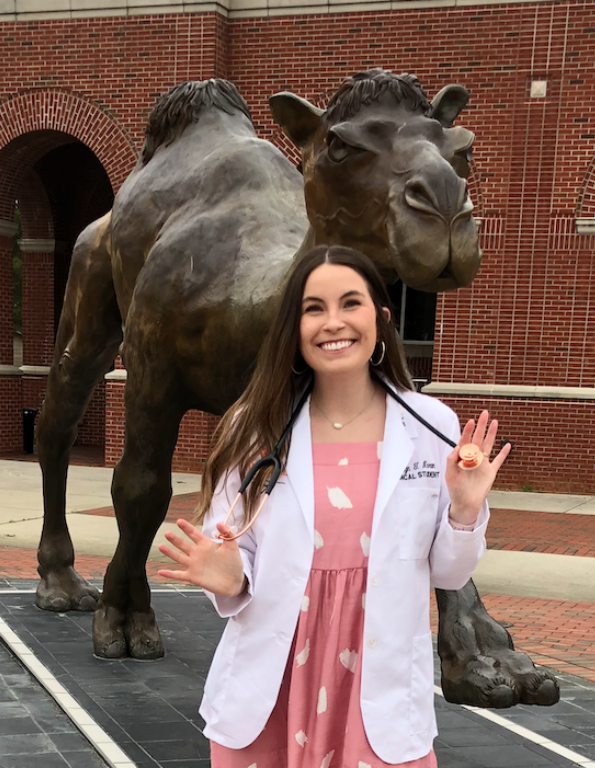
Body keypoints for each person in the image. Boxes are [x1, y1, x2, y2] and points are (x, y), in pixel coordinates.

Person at [157, 245, 511, 767]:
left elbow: (448, 573)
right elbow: (230, 548)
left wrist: (464, 510)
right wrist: (229, 576)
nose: (333, 322)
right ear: (294, 329)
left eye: (350, 303)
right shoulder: (255, 425)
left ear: (381, 319)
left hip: (377, 686)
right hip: (274, 684)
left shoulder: (430, 426)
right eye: (313, 308)